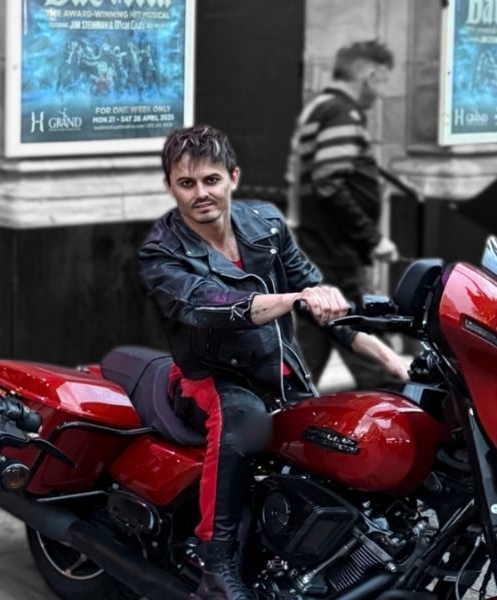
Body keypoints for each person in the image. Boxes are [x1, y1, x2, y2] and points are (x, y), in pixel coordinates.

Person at [139, 125, 409, 600]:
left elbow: (328, 310)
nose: (201, 193)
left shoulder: (265, 224)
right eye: (186, 184)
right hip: (211, 378)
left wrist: (394, 360)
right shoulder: (162, 250)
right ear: (169, 186)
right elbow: (211, 305)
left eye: (211, 180)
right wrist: (294, 298)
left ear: (234, 178)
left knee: (336, 438)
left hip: (279, 372)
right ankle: (215, 566)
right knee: (243, 423)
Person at [287, 39, 398, 389]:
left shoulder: (319, 108)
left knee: (312, 345)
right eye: (382, 82)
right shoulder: (340, 112)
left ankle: (285, 413)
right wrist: (373, 237)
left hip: (319, 249)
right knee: (369, 350)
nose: (380, 94)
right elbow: (329, 182)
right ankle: (396, 421)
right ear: (371, 74)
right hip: (335, 252)